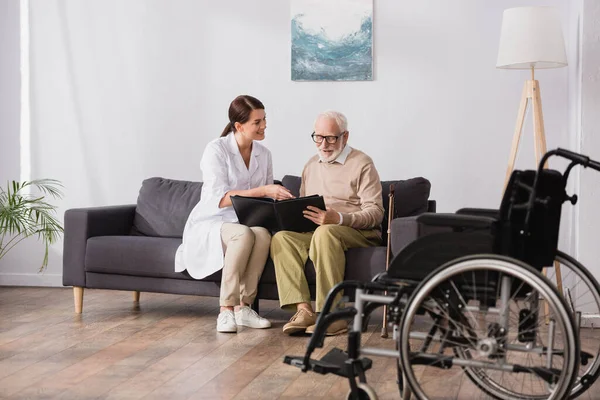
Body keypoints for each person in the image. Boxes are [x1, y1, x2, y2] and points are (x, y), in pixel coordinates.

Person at [175, 95, 294, 333]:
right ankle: (226, 310)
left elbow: (264, 199)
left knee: (261, 235)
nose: (264, 126)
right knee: (243, 235)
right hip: (214, 219)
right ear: (239, 126)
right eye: (257, 122)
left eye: (264, 119)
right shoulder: (216, 150)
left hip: (246, 220)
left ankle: (245, 307)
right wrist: (263, 190)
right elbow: (221, 198)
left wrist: (276, 200)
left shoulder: (264, 154)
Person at [270, 111, 384, 336]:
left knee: (325, 233)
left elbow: (376, 213)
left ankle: (333, 315)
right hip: (322, 231)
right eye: (318, 137)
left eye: (331, 138)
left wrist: (339, 218)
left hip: (359, 232)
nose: (324, 144)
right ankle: (304, 310)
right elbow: (305, 207)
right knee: (282, 238)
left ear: (345, 137)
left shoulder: (362, 163)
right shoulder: (311, 165)